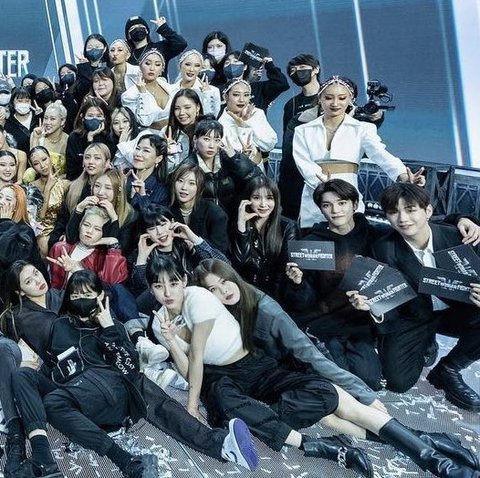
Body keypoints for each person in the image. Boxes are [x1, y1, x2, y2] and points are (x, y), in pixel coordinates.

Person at [150, 255, 480, 478]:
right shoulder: (211, 311)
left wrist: (362, 392)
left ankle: (440, 463)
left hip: (297, 369)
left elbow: (310, 354)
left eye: (224, 282)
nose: (222, 291)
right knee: (332, 419)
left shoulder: (265, 309)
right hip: (265, 379)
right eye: (213, 289)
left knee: (350, 409)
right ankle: (431, 441)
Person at [8, 267, 258, 475]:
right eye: (75, 296)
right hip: (76, 397)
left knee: (147, 390)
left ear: (100, 296)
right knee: (27, 378)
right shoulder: (60, 326)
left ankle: (221, 445)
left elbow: (128, 368)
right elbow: (55, 366)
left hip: (112, 396)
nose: (81, 300)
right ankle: (43, 455)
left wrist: (108, 330)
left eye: (88, 294)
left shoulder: (112, 326)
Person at [348, 183, 480, 413]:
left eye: (410, 210)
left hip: (458, 310)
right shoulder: (383, 248)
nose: (403, 218)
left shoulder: (461, 236)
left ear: (428, 211)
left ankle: (448, 369)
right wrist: (372, 307)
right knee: (398, 383)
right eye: (393, 212)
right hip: (414, 315)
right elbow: (389, 300)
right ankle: (426, 342)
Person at [293, 75, 423, 229]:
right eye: (328, 98)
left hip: (349, 196)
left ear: (351, 99)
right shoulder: (302, 130)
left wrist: (402, 174)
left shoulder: (363, 129)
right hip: (314, 198)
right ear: (320, 99)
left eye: (342, 98)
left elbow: (380, 153)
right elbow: (302, 162)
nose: (335, 103)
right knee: (313, 240)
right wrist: (322, 184)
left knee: (351, 238)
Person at [129, 204, 228, 296]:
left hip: (195, 296)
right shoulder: (141, 255)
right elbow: (141, 292)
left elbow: (224, 267)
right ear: (145, 233)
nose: (160, 232)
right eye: (152, 229)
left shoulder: (186, 245)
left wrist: (194, 239)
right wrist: (141, 259)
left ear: (172, 222)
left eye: (163, 224)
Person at [232, 176, 297, 301]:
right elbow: (241, 262)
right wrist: (241, 226)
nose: (263, 204)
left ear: (276, 200)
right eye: (256, 198)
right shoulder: (239, 225)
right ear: (248, 200)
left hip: (277, 294)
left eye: (269, 198)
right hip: (247, 291)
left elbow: (285, 269)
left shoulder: (288, 226)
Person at [187, 116, 262, 217]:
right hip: (202, 219)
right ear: (195, 139)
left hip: (231, 217)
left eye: (217, 140)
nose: (211, 145)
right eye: (206, 139)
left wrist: (235, 158)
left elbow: (257, 178)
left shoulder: (228, 160)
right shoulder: (188, 166)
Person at [49, 141, 111, 249]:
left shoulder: (110, 190)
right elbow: (63, 219)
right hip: (71, 240)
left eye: (97, 158)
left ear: (106, 162)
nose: (91, 162)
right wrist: (55, 240)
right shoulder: (74, 187)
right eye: (87, 157)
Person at [47, 205, 128, 289]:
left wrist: (113, 243)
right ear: (80, 225)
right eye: (86, 225)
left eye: (97, 229)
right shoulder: (60, 248)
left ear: (104, 233)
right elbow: (52, 285)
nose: (89, 231)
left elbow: (111, 285)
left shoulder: (106, 257)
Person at [66, 168, 137, 256]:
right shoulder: (87, 205)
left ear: (118, 191)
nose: (100, 192)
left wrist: (114, 218)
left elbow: (115, 250)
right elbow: (71, 239)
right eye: (97, 186)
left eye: (108, 188)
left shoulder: (130, 215)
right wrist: (79, 209)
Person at [170, 160, 229, 253]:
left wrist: (195, 243)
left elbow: (220, 252)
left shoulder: (215, 213)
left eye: (191, 183)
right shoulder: (167, 209)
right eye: (180, 181)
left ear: (200, 189)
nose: (184, 187)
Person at [219, 79, 277, 168]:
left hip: (256, 170)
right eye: (236, 95)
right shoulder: (220, 120)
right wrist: (243, 127)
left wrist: (248, 122)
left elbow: (269, 144)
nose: (241, 100)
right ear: (226, 97)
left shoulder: (257, 114)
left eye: (246, 95)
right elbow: (233, 152)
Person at [27, 146, 70, 257]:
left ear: (50, 158)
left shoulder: (64, 184)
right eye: (36, 163)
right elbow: (38, 218)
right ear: (32, 166)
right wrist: (47, 189)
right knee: (44, 246)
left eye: (44, 159)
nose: (42, 165)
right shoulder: (31, 187)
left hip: (60, 229)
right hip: (41, 231)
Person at [121, 48, 174, 130]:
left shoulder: (167, 86)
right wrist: (143, 93)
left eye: (157, 64)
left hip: (173, 132)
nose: (152, 68)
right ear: (140, 66)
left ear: (162, 69)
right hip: (149, 136)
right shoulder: (129, 96)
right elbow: (145, 122)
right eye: (148, 63)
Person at [221, 51, 289, 113]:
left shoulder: (259, 89)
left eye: (236, 61)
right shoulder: (218, 90)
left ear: (245, 67)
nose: (231, 64)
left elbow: (281, 83)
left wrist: (269, 65)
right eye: (227, 63)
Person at [65, 97, 114, 180]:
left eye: (99, 116)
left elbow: (107, 166)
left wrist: (91, 140)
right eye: (90, 116)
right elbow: (72, 170)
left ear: (104, 117)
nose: (94, 119)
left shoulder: (109, 137)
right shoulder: (74, 137)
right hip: (78, 180)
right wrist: (89, 139)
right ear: (82, 117)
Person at [125, 133, 170, 210]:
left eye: (146, 150)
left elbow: (154, 216)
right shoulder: (124, 177)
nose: (138, 154)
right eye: (137, 148)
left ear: (158, 158)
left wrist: (142, 196)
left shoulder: (162, 189)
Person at [171, 49, 221, 117]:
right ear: (179, 66)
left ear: (200, 69)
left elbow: (213, 118)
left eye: (197, 66)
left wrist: (207, 95)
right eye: (188, 64)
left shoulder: (213, 91)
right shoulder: (170, 90)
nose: (191, 69)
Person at [163, 88, 204, 170]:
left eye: (187, 107)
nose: (181, 113)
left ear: (197, 107)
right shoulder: (166, 132)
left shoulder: (207, 130)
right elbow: (165, 171)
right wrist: (170, 153)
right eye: (177, 108)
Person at [282, 53, 321, 132]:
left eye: (302, 67)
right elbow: (288, 133)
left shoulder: (330, 96)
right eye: (293, 70)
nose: (298, 72)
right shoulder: (291, 104)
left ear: (316, 69)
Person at [30, 100, 69, 177]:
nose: (47, 122)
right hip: (40, 178)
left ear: (62, 121)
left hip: (62, 180)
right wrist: (36, 139)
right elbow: (33, 164)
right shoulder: (36, 135)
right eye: (45, 118)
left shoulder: (69, 139)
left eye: (52, 119)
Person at [74, 33, 110, 102]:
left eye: (97, 47)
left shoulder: (109, 66)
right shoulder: (82, 68)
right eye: (90, 47)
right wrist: (84, 68)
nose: (93, 49)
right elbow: (82, 91)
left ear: (105, 48)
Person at [4, 86, 38, 155]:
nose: (23, 104)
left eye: (27, 101)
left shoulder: (38, 118)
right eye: (20, 101)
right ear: (12, 102)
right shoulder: (8, 123)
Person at [55, 63, 80, 134]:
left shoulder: (81, 88)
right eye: (62, 75)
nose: (66, 75)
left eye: (69, 72)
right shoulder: (61, 93)